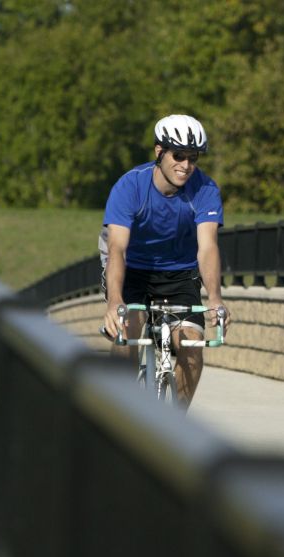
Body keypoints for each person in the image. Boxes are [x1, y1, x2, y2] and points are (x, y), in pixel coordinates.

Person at [99, 114, 229, 406]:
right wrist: (114, 301)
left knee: (192, 349)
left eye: (192, 158)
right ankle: (117, 411)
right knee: (127, 333)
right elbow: (117, 248)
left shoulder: (205, 189)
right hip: (133, 268)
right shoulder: (130, 186)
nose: (185, 166)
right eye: (178, 155)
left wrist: (216, 299)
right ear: (159, 152)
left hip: (180, 273)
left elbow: (207, 247)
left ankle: (175, 426)